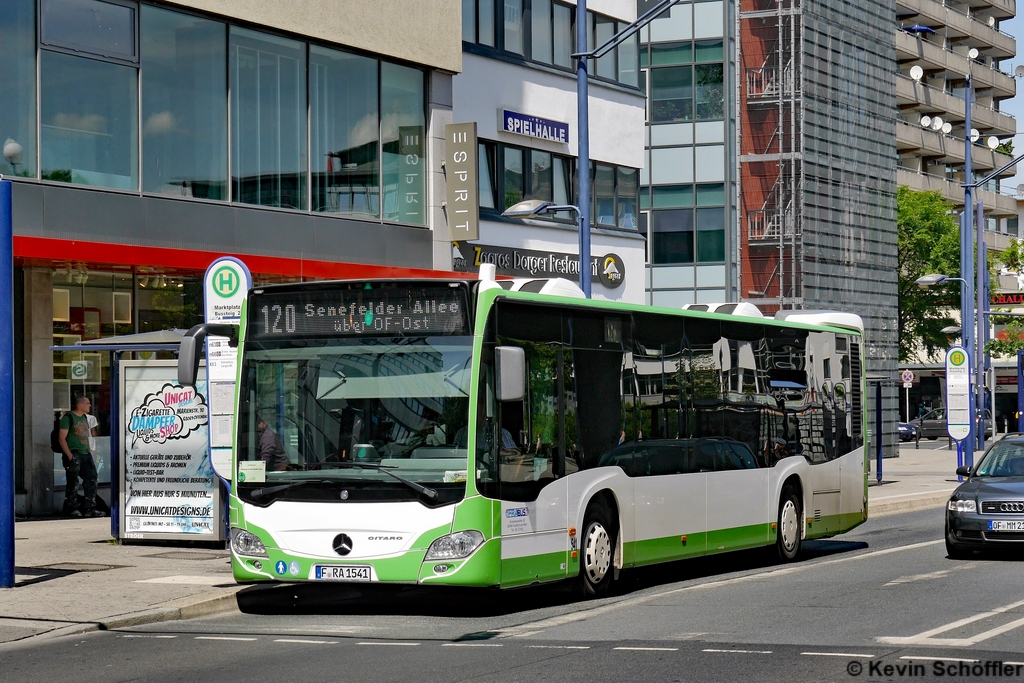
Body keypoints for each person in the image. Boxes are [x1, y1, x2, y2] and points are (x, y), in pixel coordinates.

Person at [58, 395, 100, 517]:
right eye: (87, 403)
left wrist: (88, 450)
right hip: (73, 452)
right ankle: (71, 508)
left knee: (92, 479)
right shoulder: (68, 418)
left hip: (85, 453)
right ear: (80, 405)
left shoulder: (85, 418)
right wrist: (70, 456)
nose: (90, 405)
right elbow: (61, 439)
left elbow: (86, 436)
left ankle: (89, 508)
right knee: (73, 482)